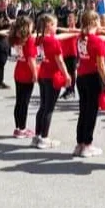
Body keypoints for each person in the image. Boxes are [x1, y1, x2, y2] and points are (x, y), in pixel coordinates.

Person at [31, 14, 72, 149]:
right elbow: (59, 60)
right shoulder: (53, 41)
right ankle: (44, 137)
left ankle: (37, 135)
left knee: (43, 106)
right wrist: (66, 75)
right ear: (48, 26)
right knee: (49, 108)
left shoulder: (38, 39)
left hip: (43, 73)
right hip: (52, 75)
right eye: (54, 25)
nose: (56, 27)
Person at [73, 11, 105, 158]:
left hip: (82, 75)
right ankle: (87, 144)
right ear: (95, 22)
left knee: (83, 110)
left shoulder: (81, 38)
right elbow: (101, 65)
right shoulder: (96, 41)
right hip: (93, 77)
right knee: (91, 112)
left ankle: (80, 143)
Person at [8, 16, 38, 139]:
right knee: (24, 102)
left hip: (19, 70)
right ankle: (22, 128)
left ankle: (18, 127)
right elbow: (30, 59)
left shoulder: (16, 37)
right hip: (26, 72)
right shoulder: (28, 40)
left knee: (19, 101)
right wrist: (35, 73)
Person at [59, 12, 79, 100]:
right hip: (65, 54)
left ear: (75, 20)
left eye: (71, 18)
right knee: (66, 72)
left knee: (72, 72)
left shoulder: (76, 30)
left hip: (73, 54)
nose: (68, 20)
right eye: (68, 19)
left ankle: (72, 90)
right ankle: (67, 89)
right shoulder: (65, 30)